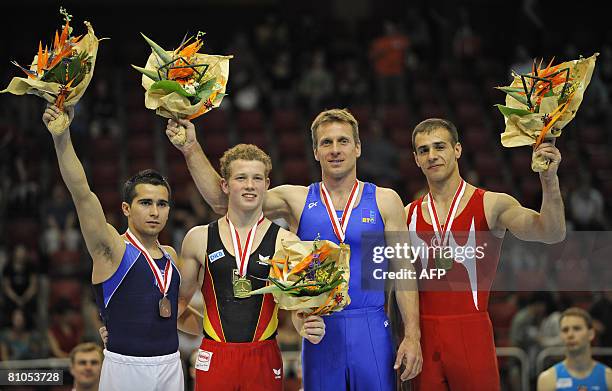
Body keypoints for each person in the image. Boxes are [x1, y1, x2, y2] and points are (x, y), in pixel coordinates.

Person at [165, 108, 422, 390]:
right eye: (326, 142)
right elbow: (224, 199)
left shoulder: (386, 201)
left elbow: (403, 271)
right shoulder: (296, 200)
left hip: (372, 326)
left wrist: (412, 335)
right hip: (316, 328)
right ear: (315, 151)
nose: (335, 150)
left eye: (343, 141)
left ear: (358, 147)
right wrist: (190, 148)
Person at [405, 118, 566, 390]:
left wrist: (549, 181)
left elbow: (551, 233)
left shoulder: (492, 204)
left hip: (472, 334)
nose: (432, 156)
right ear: (416, 159)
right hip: (422, 338)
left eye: (439, 147)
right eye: (423, 150)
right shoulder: (405, 214)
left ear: (457, 150)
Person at [42, 105, 183, 391]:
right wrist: (62, 136)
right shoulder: (112, 248)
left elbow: (179, 312)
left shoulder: (171, 255)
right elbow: (82, 193)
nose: (155, 211)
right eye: (146, 203)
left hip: (172, 364)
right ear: (126, 209)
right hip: (126, 367)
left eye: (162, 204)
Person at [175, 144, 326, 390]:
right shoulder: (198, 238)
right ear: (225, 185)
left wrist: (309, 327)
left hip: (264, 356)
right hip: (215, 354)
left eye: (257, 178)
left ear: (267, 184)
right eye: (241, 178)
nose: (249, 185)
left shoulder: (287, 242)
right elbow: (177, 306)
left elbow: (298, 311)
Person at [537, 307, 612, 390]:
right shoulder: (548, 379)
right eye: (565, 330)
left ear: (591, 334)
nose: (570, 335)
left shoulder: (609, 377)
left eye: (577, 329)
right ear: (561, 336)